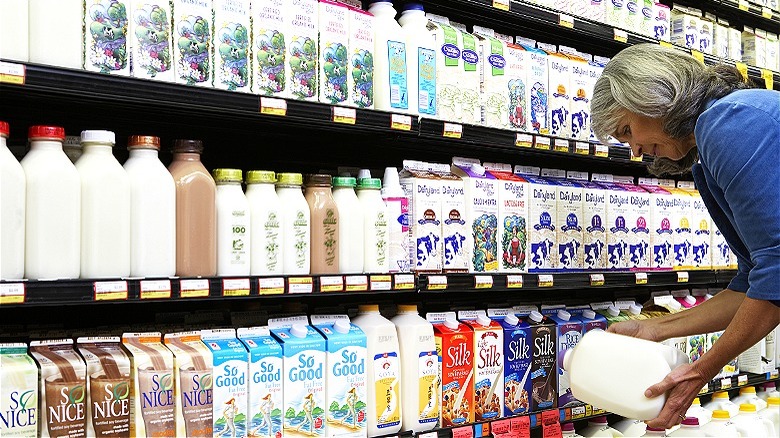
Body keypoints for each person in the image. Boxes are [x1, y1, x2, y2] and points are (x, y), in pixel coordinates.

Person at [590, 43, 780, 429]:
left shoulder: (730, 123)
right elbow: (751, 283)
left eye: (628, 131)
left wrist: (698, 372)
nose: (635, 149)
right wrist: (655, 328)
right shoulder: (706, 153)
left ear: (656, 98)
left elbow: (777, 273)